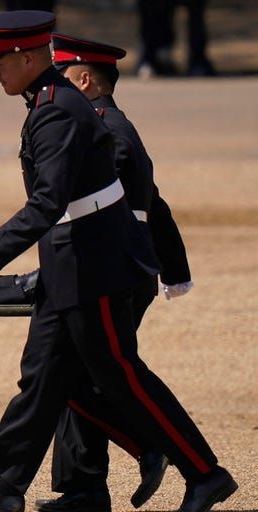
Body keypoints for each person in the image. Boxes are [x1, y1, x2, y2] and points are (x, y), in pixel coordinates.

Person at [0, 10, 235, 512]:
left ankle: (204, 473)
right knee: (44, 374)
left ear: (29, 57)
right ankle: (9, 486)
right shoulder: (47, 101)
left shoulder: (56, 109)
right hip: (70, 261)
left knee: (118, 374)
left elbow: (48, 202)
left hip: (93, 263)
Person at [32, 33, 198, 512]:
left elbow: (138, 207)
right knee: (80, 377)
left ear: (85, 81)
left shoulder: (108, 131)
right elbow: (156, 204)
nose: (54, 87)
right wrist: (173, 270)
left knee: (96, 377)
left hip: (110, 270)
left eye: (61, 77)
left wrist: (165, 270)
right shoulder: (105, 126)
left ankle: (157, 450)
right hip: (108, 266)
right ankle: (85, 489)